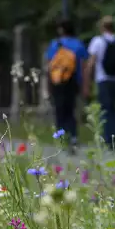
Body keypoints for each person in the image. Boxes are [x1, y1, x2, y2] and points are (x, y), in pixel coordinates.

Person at [84, 16, 115, 149]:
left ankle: (108, 139)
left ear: (102, 27)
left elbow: (91, 63)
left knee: (105, 109)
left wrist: (87, 83)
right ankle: (113, 138)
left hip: (102, 80)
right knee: (113, 109)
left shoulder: (97, 41)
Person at [46, 18, 89, 154]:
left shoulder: (55, 44)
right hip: (72, 82)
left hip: (57, 81)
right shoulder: (78, 45)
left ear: (61, 30)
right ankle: (73, 137)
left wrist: (48, 85)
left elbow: (50, 66)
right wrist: (84, 85)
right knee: (71, 110)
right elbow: (82, 67)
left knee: (59, 110)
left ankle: (61, 137)